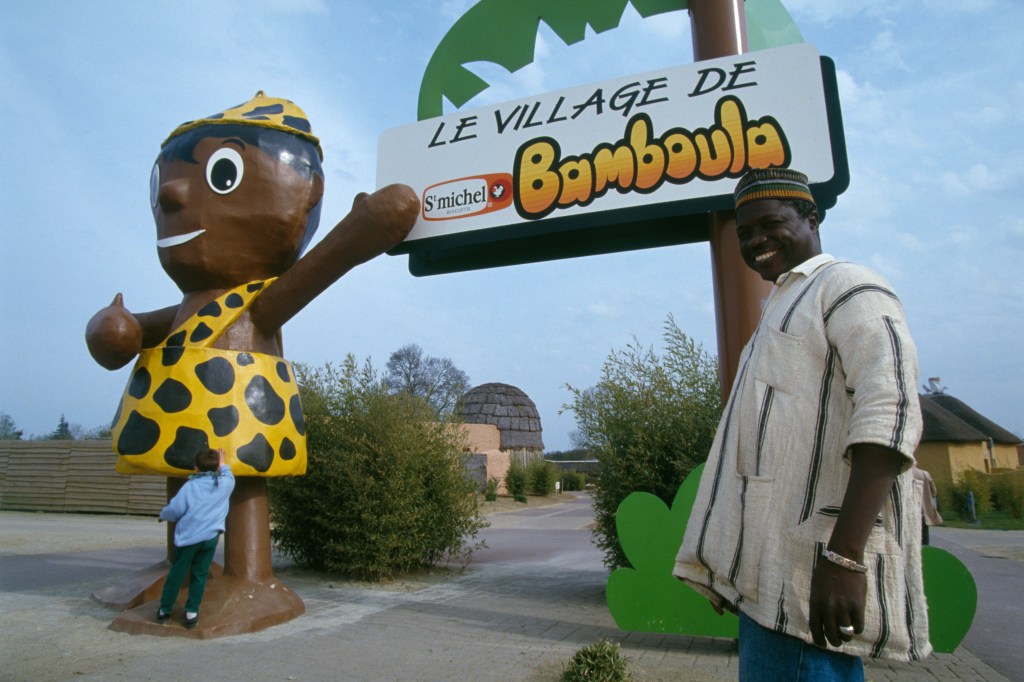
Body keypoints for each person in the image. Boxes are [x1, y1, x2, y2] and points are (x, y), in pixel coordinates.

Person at [674, 168, 929, 679]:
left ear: (812, 217)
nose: (755, 241)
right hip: (767, 579)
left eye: (770, 223)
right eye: (744, 233)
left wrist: (846, 559)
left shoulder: (848, 287)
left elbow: (889, 415)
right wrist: (728, 559)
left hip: (810, 573)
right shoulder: (780, 308)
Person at [157, 447, 235, 628]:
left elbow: (175, 510)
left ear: (196, 468)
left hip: (188, 538)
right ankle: (191, 613)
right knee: (200, 574)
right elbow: (228, 473)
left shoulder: (190, 487)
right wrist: (222, 463)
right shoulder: (224, 484)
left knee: (177, 573)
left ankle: (164, 610)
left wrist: (163, 515)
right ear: (217, 468)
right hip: (210, 538)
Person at [912, 466, 943, 544]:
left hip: (910, 508)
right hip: (923, 508)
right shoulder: (925, 474)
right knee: (924, 532)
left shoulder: (901, 474)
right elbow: (934, 492)